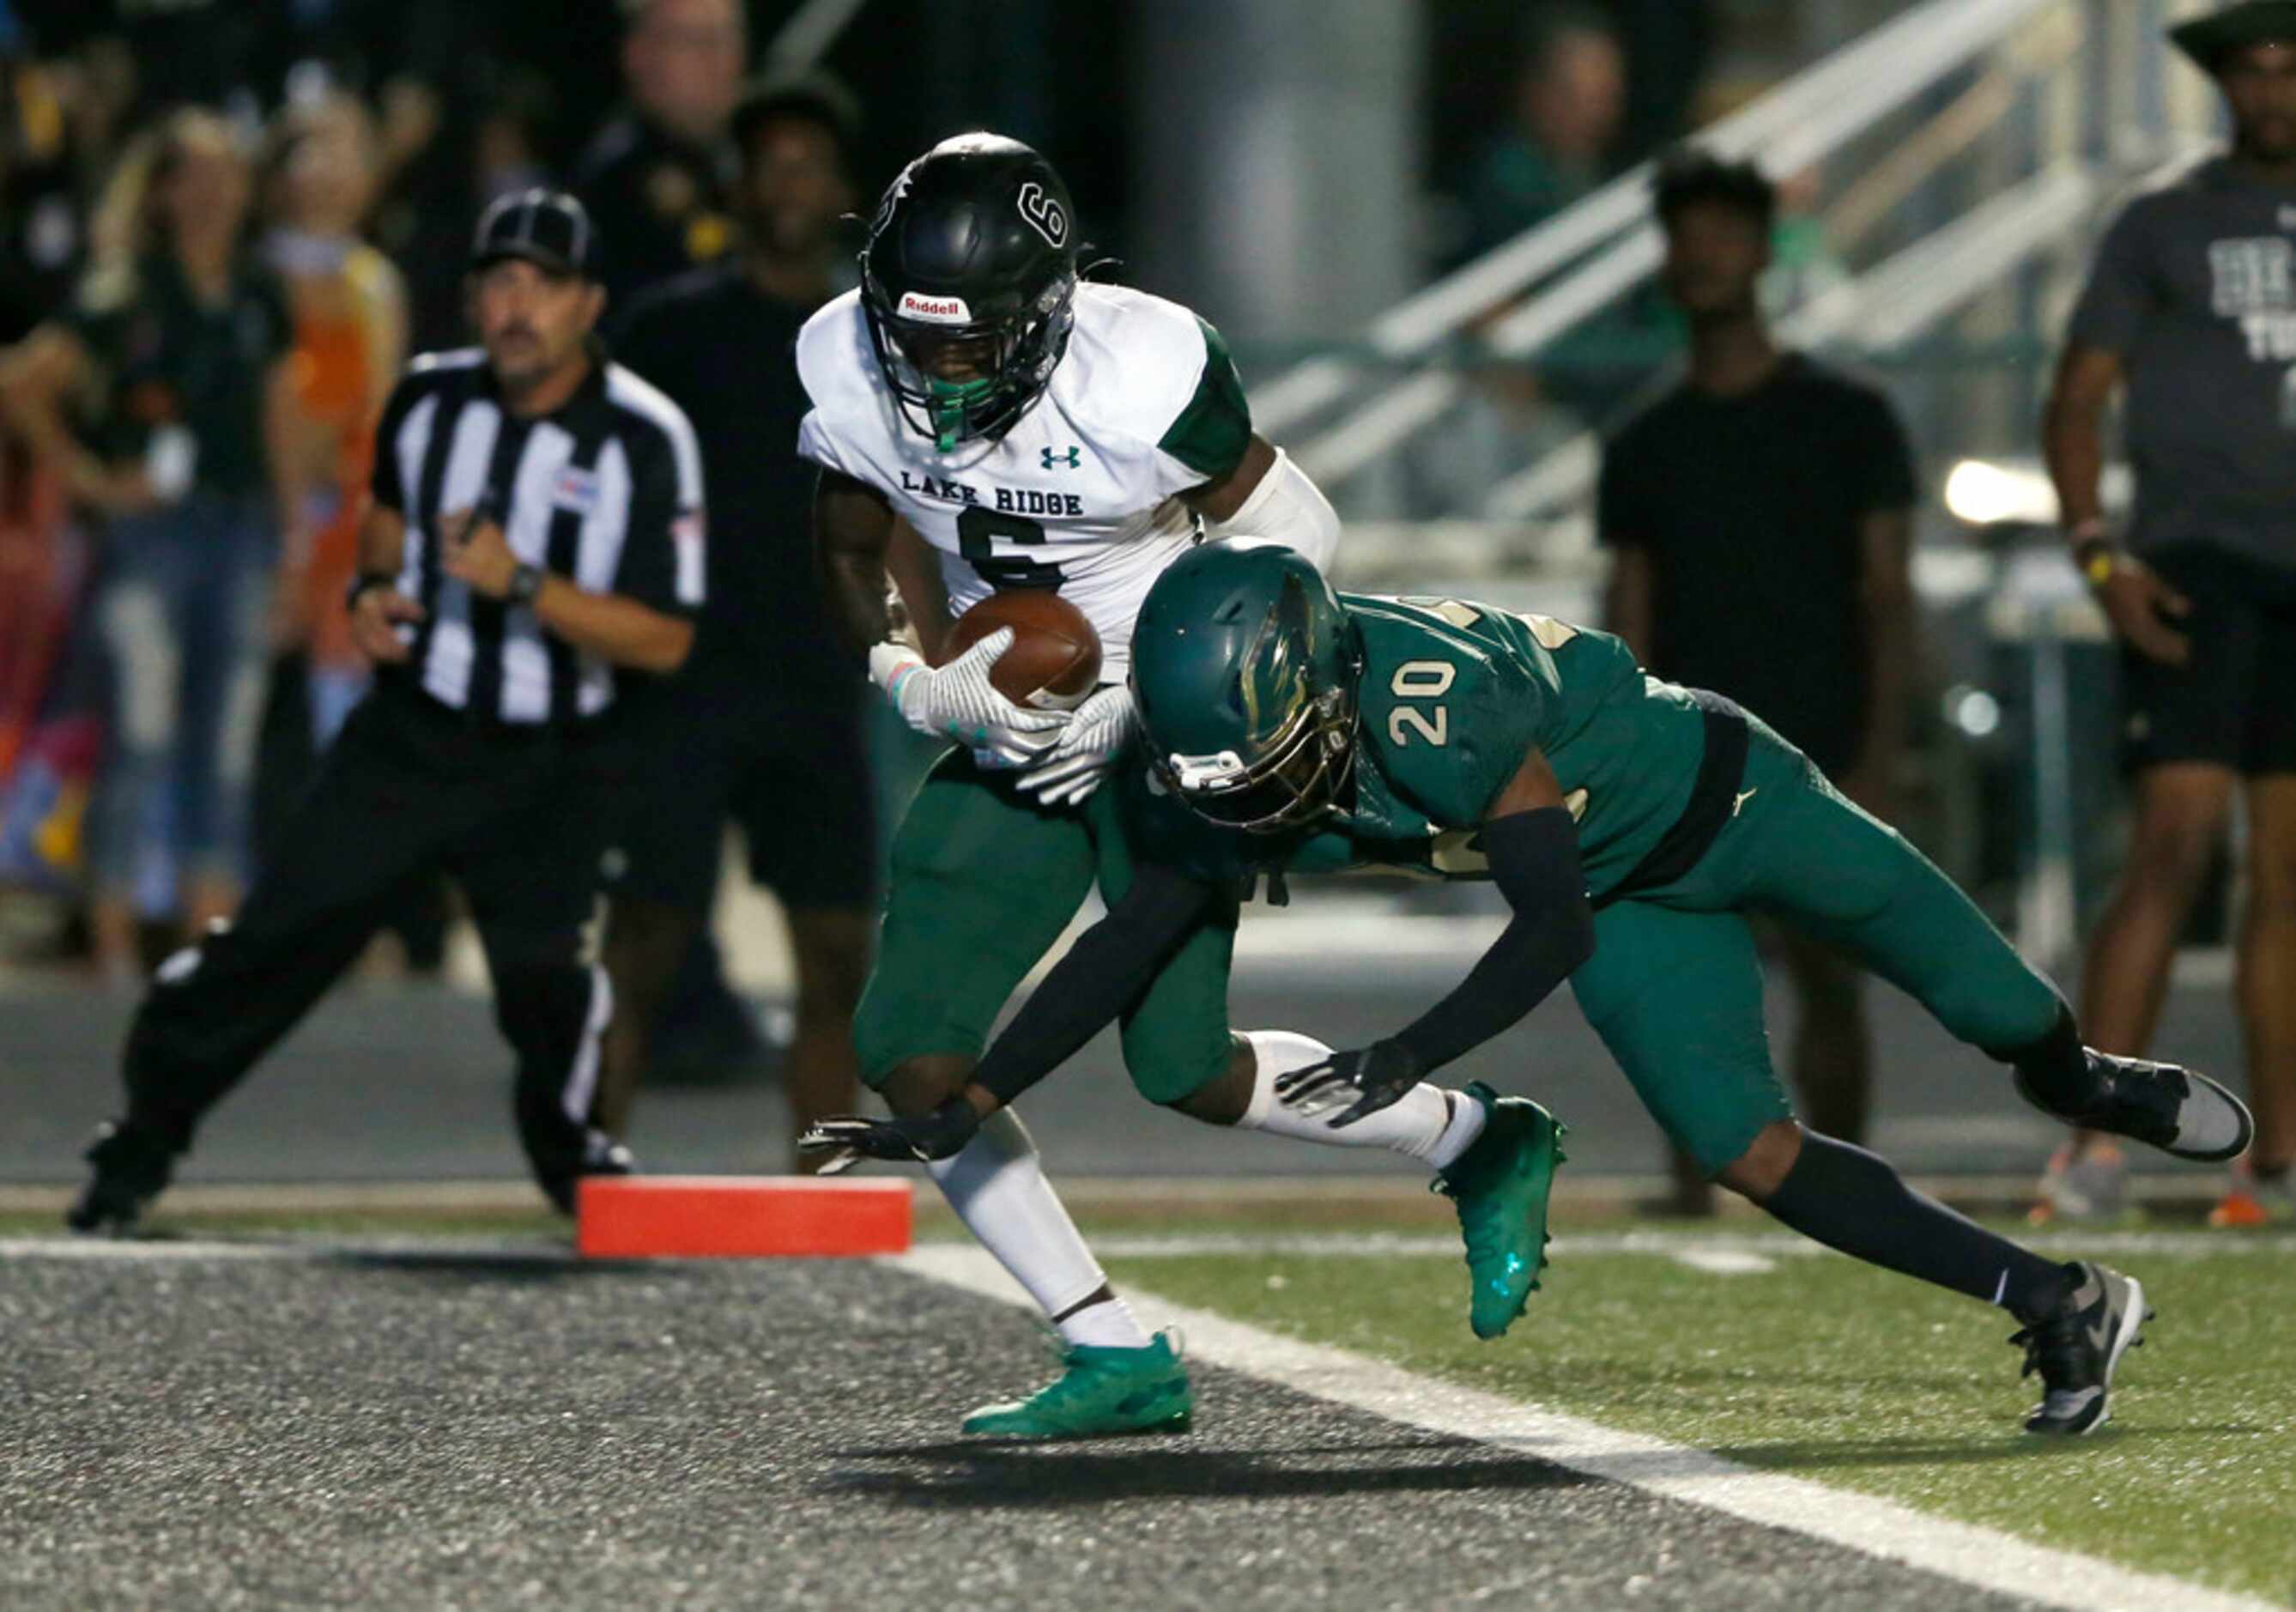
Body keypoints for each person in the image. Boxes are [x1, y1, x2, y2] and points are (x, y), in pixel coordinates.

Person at [810, 542, 2257, 1436]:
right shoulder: (1224, 754)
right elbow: (1129, 941)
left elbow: (1544, 920)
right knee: (1747, 1150)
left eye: (1264, 768)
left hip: (1736, 799)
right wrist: (976, 1095)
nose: (1255, 804)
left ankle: (2088, 1084)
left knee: (2000, 1014)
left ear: (1318, 690)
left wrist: (1409, 1050)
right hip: (1635, 902)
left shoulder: (1429, 699)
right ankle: (2060, 1298)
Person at [806, 133, 1560, 1440]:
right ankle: (1107, 1347)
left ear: (1047, 313)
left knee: (1181, 1066)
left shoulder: (1140, 371)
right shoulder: (839, 360)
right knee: (912, 1060)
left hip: (1156, 731)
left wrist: (1135, 704)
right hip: (1000, 726)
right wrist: (908, 670)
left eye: (971, 344)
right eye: (911, 339)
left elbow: (1299, 531)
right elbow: (849, 536)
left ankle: (1465, 1133)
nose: (933, 374)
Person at [66, 190, 706, 1232]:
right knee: (275, 939)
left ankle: (573, 1160)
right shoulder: (429, 399)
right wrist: (371, 596)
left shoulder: (644, 435)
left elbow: (667, 637)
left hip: (557, 755)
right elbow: (386, 517)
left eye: (542, 285)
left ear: (588, 302)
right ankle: (139, 1139)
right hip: (418, 728)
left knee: (548, 984)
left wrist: (525, 584)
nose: (516, 306)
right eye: (498, 282)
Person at [1602, 151, 1917, 1212]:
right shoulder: (1646, 441)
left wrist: (1882, 754)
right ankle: (1690, 1186)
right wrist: (1620, 754)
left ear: (1761, 256)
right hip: (1689, 751)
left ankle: (1854, 1188)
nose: (1703, 261)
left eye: (1724, 238)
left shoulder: (1848, 417)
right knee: (1687, 983)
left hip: (1820, 736)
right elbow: (1629, 614)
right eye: (1686, 242)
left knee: (1831, 980)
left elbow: (1886, 595)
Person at [2038, 0, 2296, 1226]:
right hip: (2194, 565)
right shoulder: (2163, 223)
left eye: (2286, 70)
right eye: (2249, 72)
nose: (2269, 92)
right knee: (2169, 847)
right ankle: (2093, 1143)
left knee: (2285, 874)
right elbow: (2075, 399)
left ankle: (2277, 1163)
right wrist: (2099, 557)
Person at [597, 75, 873, 1155]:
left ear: (843, 189)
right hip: (683, 680)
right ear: (738, 186)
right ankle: (588, 1174)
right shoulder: (670, 330)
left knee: (838, 949)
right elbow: (600, 482)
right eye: (771, 164)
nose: (791, 184)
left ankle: (826, 1185)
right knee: (645, 939)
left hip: (817, 675)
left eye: (811, 165)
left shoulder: (872, 343)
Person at [0, 109, 301, 982]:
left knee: (228, 733)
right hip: (151, 538)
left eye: (226, 175)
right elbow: (22, 384)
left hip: (240, 526)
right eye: (193, 176)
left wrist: (292, 543)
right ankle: (117, 941)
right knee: (143, 724)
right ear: (163, 192)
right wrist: (91, 480)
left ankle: (209, 939)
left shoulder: (257, 291)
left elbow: (281, 420)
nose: (213, 194)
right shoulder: (125, 290)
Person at [571, 0, 745, 309]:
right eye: (695, 41)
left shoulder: (741, 165)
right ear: (638, 55)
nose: (718, 61)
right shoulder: (616, 186)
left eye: (728, 38)